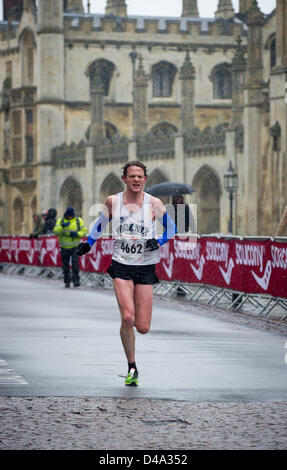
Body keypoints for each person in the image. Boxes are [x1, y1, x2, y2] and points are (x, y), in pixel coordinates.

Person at [77, 161, 177, 386]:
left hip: (145, 266)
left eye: (140, 176)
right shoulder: (114, 201)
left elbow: (172, 229)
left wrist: (158, 240)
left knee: (142, 327)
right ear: (124, 178)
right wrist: (88, 243)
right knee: (127, 317)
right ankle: (132, 367)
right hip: (121, 264)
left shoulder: (154, 203)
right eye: (132, 176)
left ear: (145, 179)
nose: (136, 180)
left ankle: (132, 343)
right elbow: (100, 224)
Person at [54, 206, 87, 288]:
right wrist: (62, 226)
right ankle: (67, 281)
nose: (69, 217)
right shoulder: (60, 221)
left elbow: (84, 231)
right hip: (64, 247)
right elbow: (55, 232)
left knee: (75, 264)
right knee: (65, 265)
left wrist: (77, 234)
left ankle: (76, 281)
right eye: (68, 216)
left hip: (75, 247)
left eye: (71, 216)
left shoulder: (78, 221)